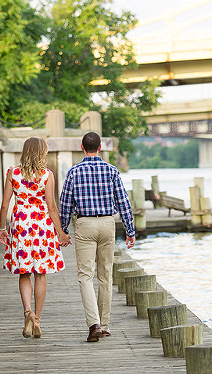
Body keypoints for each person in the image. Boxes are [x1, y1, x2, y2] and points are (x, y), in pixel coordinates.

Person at [59, 131, 137, 342]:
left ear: (81, 147)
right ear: (100, 148)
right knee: (105, 276)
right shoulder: (112, 170)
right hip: (107, 224)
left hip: (84, 224)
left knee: (85, 275)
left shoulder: (74, 172)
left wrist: (63, 230)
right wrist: (130, 231)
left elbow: (65, 204)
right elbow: (123, 202)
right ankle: (104, 325)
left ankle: (93, 324)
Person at [0, 137, 70, 338]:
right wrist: (61, 233)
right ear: (42, 153)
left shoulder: (13, 173)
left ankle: (27, 312)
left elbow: (5, 205)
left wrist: (2, 228)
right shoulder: (47, 175)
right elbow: (52, 207)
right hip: (41, 228)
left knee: (24, 272)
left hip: (21, 226)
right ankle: (37, 319)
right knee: (40, 273)